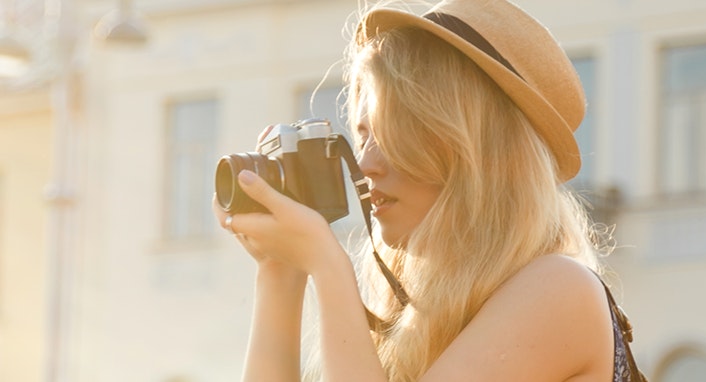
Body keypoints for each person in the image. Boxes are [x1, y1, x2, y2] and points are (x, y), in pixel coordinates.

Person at [213, 0, 646, 381]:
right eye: (363, 136)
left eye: (396, 134)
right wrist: (280, 272)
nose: (365, 165)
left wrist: (327, 264)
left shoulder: (559, 288)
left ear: (478, 152)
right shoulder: (424, 317)